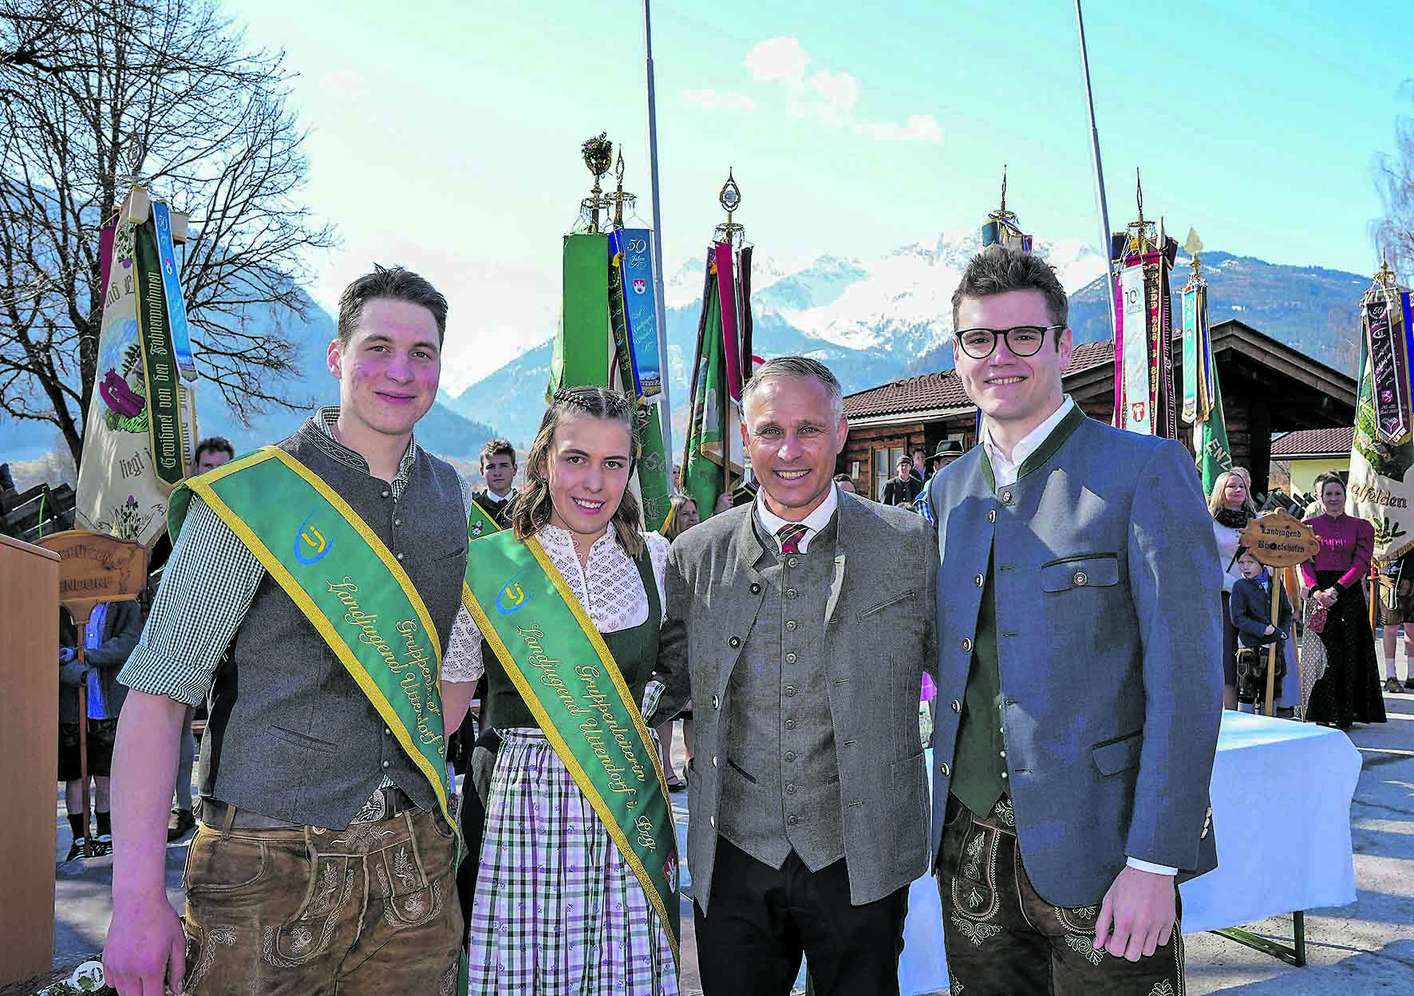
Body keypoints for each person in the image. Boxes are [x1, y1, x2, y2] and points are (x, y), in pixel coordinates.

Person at [103, 266, 476, 996]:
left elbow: (449, 677)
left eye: (422, 353)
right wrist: (135, 903)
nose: (400, 371)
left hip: (414, 867)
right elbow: (157, 701)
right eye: (377, 348)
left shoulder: (451, 497)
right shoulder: (252, 500)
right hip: (267, 866)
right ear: (336, 358)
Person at [928, 244, 1222, 994]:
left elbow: (1187, 684)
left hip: (1107, 851)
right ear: (958, 353)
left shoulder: (1144, 470)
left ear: (1063, 344)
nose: (1002, 356)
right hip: (969, 851)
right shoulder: (945, 493)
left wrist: (1157, 862)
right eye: (980, 339)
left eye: (1024, 336)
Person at [652, 355, 937, 995]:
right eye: (770, 431)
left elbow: (964, 678)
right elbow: (665, 683)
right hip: (734, 855)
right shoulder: (696, 555)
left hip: (860, 853)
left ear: (841, 435)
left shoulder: (907, 544)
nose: (789, 450)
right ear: (744, 441)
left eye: (809, 429)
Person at [461, 387, 677, 994]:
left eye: (614, 463)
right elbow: (445, 708)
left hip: (623, 800)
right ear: (542, 461)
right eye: (576, 458)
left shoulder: (655, 562)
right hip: (517, 806)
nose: (595, 482)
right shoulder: (487, 565)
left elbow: (675, 678)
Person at [165, 437, 237, 844]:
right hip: (183, 638)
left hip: (229, 646)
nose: (214, 474)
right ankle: (180, 805)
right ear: (196, 470)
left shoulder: (244, 515)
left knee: (220, 723)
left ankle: (214, 802)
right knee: (174, 730)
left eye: (221, 467)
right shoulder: (184, 511)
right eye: (207, 467)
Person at [1300, 472, 1388, 728]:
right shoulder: (1308, 525)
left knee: (1348, 652)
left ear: (1345, 495)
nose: (1333, 498)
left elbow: (1361, 562)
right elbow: (1304, 560)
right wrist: (1315, 590)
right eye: (1328, 494)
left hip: (1347, 594)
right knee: (1323, 653)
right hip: (1319, 592)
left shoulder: (1361, 527)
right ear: (1320, 497)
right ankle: (1321, 711)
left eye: (1338, 493)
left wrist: (1336, 589)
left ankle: (1346, 713)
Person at [59, 599, 143, 860]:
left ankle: (106, 832)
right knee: (75, 775)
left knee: (106, 773)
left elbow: (128, 642)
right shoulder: (62, 604)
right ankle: (80, 837)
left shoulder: (124, 604)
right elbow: (49, 644)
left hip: (106, 705)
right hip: (72, 709)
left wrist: (83, 656)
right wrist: (69, 668)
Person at [656, 495, 701, 790]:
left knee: (694, 709)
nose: (694, 518)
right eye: (686, 514)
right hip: (668, 635)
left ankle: (692, 762)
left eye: (696, 512)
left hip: (696, 635)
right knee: (668, 707)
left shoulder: (702, 547)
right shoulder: (660, 551)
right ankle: (665, 767)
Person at [1229, 550, 1298, 715]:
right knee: (1247, 689)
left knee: (1271, 689)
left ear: (1261, 563)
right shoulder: (1240, 586)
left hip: (1273, 647)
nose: (1245, 567)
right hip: (1249, 648)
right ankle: (1245, 724)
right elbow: (1238, 618)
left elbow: (1286, 612)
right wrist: (1262, 630)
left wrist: (1281, 633)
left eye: (1250, 563)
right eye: (1241, 563)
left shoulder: (1275, 584)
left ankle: (1269, 721)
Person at [1209, 469, 1255, 710]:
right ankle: (1228, 709)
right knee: (1228, 653)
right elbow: (1206, 560)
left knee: (1254, 652)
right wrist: (1234, 584)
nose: (1237, 490)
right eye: (1231, 486)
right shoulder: (1210, 522)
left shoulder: (1255, 520)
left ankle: (1254, 707)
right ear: (1221, 491)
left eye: (1241, 487)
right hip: (1225, 594)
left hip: (1253, 594)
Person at [1377, 550, 1414, 692]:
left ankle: (1412, 675)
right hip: (1391, 574)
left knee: (1411, 627)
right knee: (1391, 626)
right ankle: (1391, 676)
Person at [469, 437, 517, 537]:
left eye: (503, 466)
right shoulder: (472, 509)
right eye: (491, 467)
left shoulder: (528, 507)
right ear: (482, 471)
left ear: (514, 469)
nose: (497, 473)